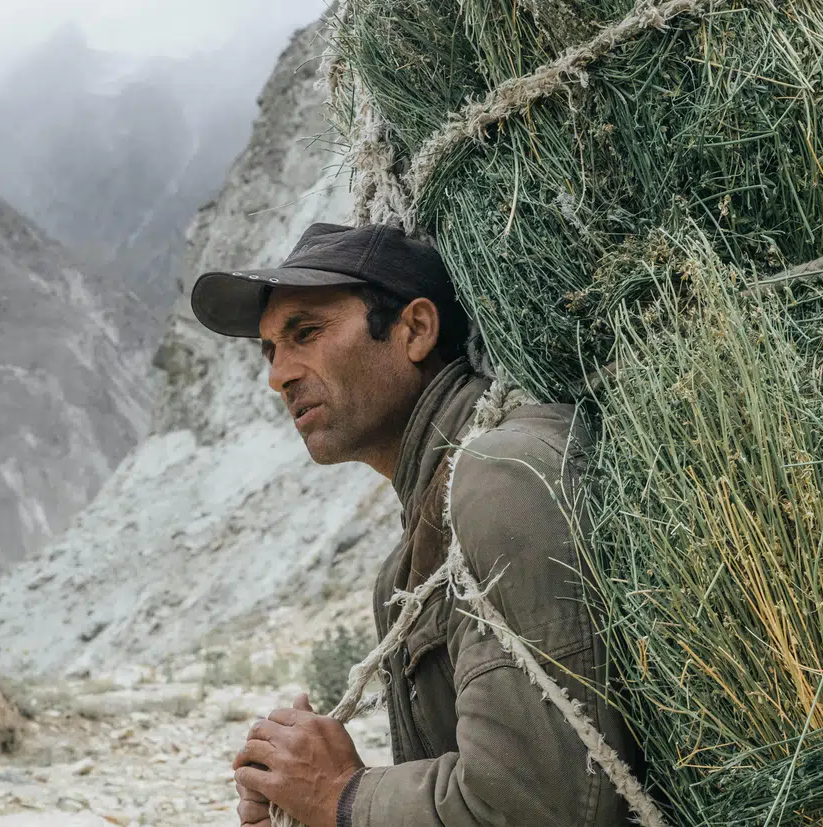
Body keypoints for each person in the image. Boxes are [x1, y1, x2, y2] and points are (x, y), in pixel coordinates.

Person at [190, 222, 637, 827]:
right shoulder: (406, 564)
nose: (279, 375)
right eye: (270, 350)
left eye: (306, 333)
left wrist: (338, 797)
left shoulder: (499, 479)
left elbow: (540, 807)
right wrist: (300, 802)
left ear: (416, 330)